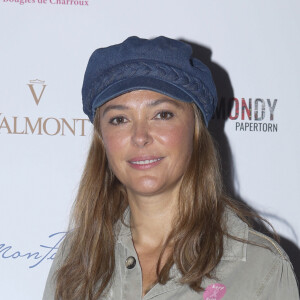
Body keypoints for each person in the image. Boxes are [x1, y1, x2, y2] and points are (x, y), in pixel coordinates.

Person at [42, 36, 299, 300]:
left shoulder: (260, 268)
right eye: (119, 119)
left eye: (162, 115)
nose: (140, 136)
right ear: (102, 140)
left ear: (196, 130)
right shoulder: (74, 258)